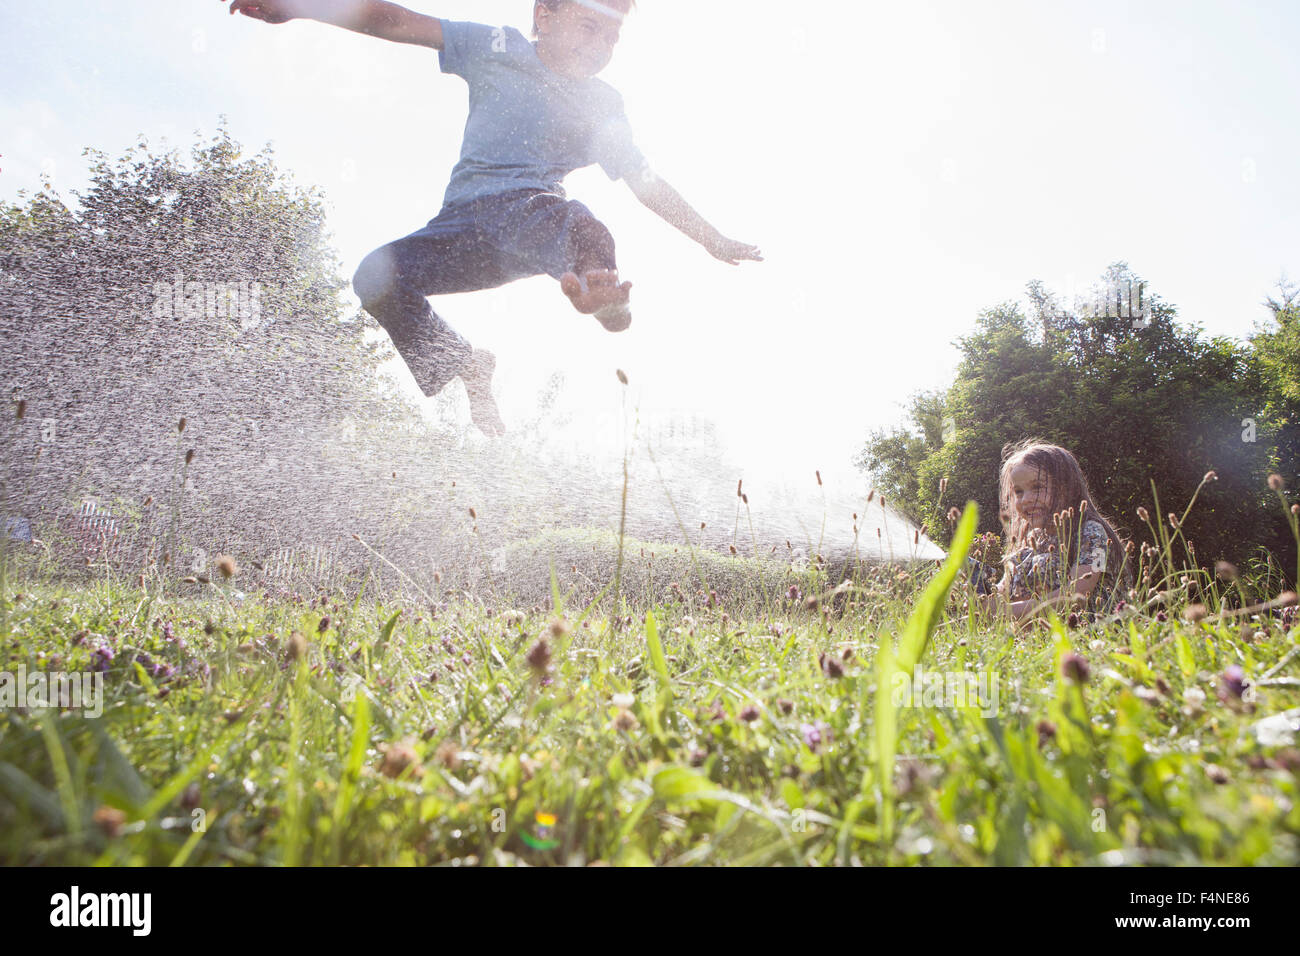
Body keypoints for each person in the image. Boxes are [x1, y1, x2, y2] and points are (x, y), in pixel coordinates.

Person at [224, 0, 763, 436]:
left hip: (531, 220)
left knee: (581, 222)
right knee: (374, 275)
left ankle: (603, 291)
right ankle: (462, 362)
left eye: (611, 39)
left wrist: (710, 237)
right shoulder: (495, 46)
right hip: (457, 232)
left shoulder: (603, 103)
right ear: (543, 14)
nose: (599, 47)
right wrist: (299, 6)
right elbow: (396, 21)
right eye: (588, 26)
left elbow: (644, 180)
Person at [977, 439, 1131, 622]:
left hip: (1094, 634)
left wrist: (1006, 611)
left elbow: (1077, 596)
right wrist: (980, 600)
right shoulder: (1029, 545)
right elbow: (1001, 592)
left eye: (1037, 487)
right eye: (1018, 492)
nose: (1026, 499)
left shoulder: (1093, 534)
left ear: (1067, 488)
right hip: (1045, 641)